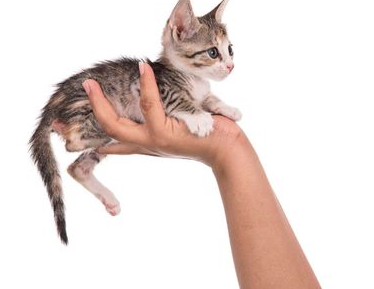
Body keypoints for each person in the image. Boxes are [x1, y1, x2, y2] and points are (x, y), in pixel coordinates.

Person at [82, 62, 321, 289]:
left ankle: (82, 157)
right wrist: (225, 139)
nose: (230, 63)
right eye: (215, 53)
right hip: (109, 104)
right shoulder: (175, 75)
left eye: (229, 51)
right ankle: (80, 146)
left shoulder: (197, 84)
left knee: (107, 135)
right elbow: (173, 99)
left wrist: (225, 141)